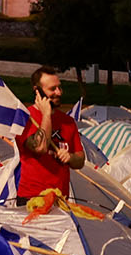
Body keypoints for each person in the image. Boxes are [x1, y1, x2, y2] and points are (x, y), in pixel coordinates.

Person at [14, 67, 84, 203]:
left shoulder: (68, 122)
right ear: (37, 91)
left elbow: (80, 160)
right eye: (53, 89)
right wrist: (46, 114)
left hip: (60, 200)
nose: (59, 92)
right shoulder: (24, 119)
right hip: (32, 199)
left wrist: (70, 157)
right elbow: (40, 147)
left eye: (59, 87)